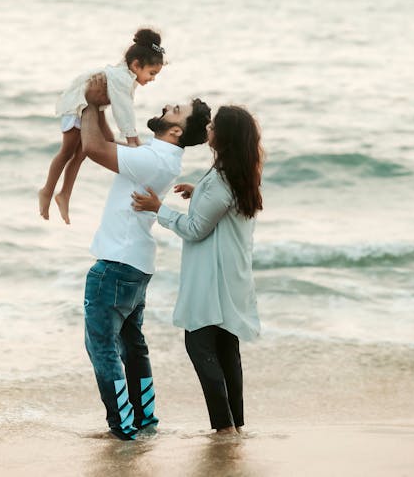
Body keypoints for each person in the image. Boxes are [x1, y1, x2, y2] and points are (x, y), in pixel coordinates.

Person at [81, 76, 211, 441]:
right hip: (135, 265)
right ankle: (145, 418)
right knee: (132, 346)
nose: (169, 106)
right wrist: (103, 107)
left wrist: (89, 103)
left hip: (116, 264)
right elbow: (107, 142)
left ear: (174, 130)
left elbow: (93, 147)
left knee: (102, 346)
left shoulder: (153, 160)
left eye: (177, 110)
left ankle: (123, 426)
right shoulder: (160, 157)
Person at [132, 105, 263, 435]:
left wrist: (158, 209)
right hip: (230, 274)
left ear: (226, 137)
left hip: (213, 278)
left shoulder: (221, 181)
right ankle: (235, 426)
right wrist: (198, 192)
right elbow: (216, 208)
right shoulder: (237, 174)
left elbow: (194, 229)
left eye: (214, 126)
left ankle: (224, 428)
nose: (208, 129)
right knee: (226, 349)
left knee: (200, 345)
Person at [39, 28, 165, 224]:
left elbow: (120, 106)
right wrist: (132, 141)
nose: (153, 78)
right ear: (136, 65)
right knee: (67, 152)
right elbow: (124, 111)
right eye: (151, 73)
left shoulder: (125, 75)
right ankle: (47, 191)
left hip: (91, 107)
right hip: (77, 105)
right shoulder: (123, 78)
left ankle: (64, 194)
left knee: (81, 154)